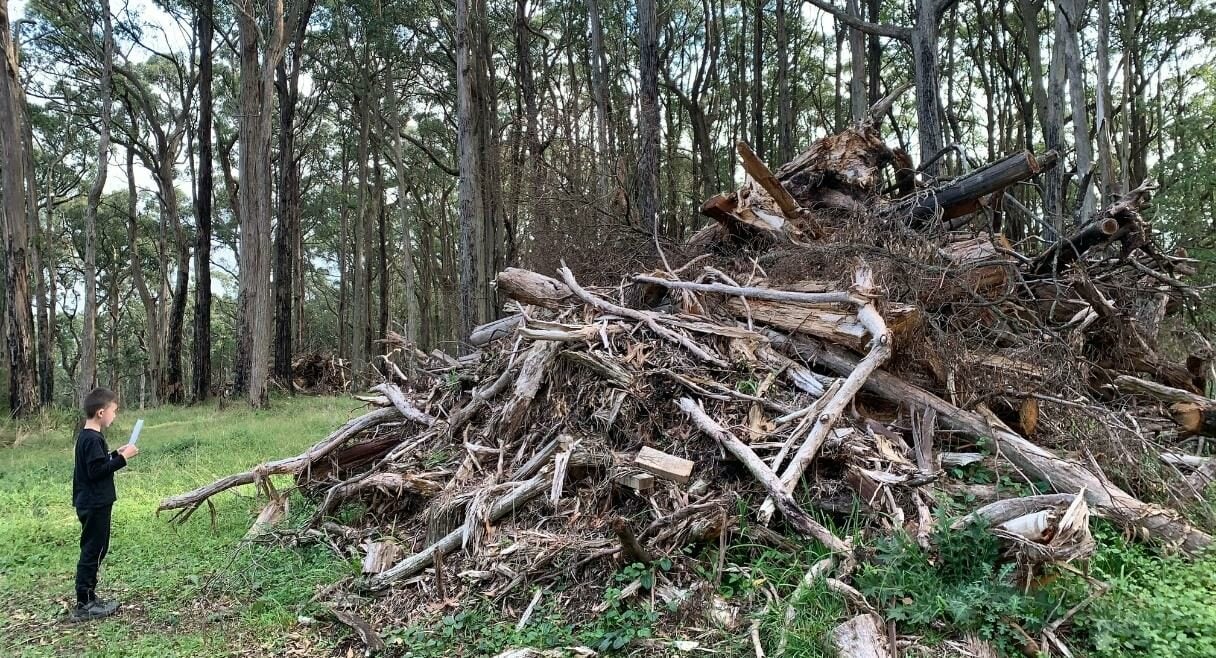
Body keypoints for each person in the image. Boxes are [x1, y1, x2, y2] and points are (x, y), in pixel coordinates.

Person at [70, 388, 138, 622]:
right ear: (101, 412)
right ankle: (84, 603)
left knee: (97, 548)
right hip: (94, 503)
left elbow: (96, 464)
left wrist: (112, 454)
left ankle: (89, 596)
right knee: (93, 550)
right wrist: (123, 458)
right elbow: (96, 471)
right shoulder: (91, 438)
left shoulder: (88, 437)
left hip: (94, 501)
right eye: (114, 411)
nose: (115, 415)